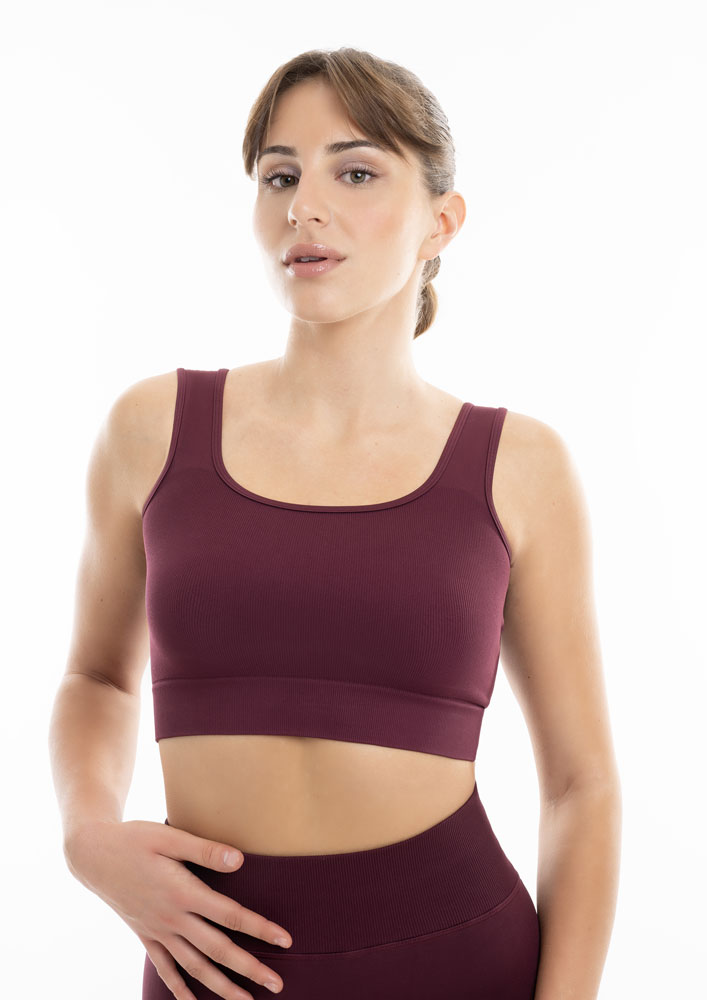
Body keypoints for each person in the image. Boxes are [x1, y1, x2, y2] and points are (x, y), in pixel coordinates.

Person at [49, 47, 621, 1000]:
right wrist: (86, 838)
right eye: (280, 176)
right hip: (207, 965)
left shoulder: (520, 466)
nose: (303, 206)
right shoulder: (152, 428)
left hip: (456, 958)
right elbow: (97, 677)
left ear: (441, 221)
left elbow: (580, 786)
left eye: (354, 172)